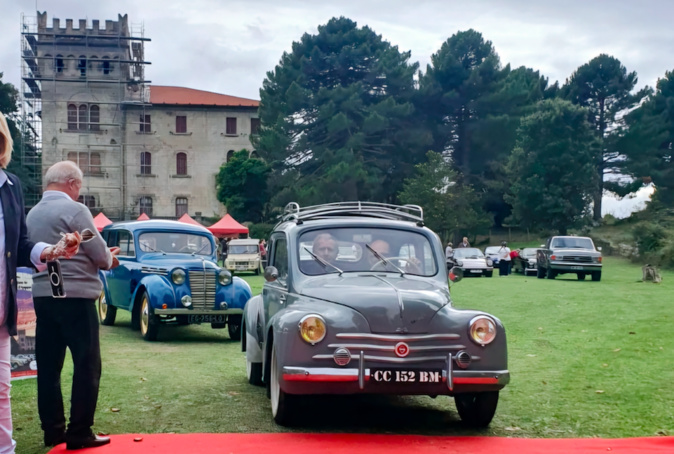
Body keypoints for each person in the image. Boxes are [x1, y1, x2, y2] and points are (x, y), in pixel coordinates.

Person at [26, 161, 121, 450]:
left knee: (49, 367)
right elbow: (97, 250)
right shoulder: (76, 210)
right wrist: (109, 258)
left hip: (43, 297)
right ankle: (80, 431)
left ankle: (53, 431)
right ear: (72, 184)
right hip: (77, 297)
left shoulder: (32, 214)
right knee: (86, 365)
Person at [1, 117, 81, 454]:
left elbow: (20, 245)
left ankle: (6, 449)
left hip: (1, 309)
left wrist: (50, 251)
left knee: (1, 390)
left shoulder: (11, 185)